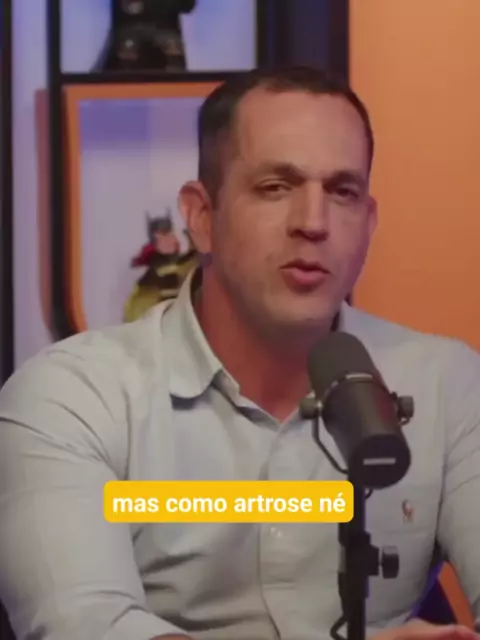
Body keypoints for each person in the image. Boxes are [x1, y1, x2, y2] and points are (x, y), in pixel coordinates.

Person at [0, 65, 479, 640]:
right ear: (202, 217)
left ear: (369, 223)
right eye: (275, 187)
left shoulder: (447, 384)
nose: (313, 223)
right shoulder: (72, 397)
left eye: (342, 192)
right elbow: (85, 625)